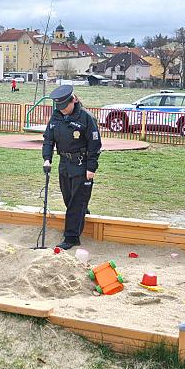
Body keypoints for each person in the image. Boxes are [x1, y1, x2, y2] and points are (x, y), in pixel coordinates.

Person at [42, 85, 102, 250]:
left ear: (73, 100)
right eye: (59, 107)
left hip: (81, 165)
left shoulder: (86, 118)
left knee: (76, 202)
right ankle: (82, 210)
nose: (62, 110)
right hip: (64, 164)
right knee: (68, 198)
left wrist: (91, 168)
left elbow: (95, 144)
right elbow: (48, 139)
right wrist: (47, 159)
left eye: (64, 107)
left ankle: (71, 238)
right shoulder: (56, 117)